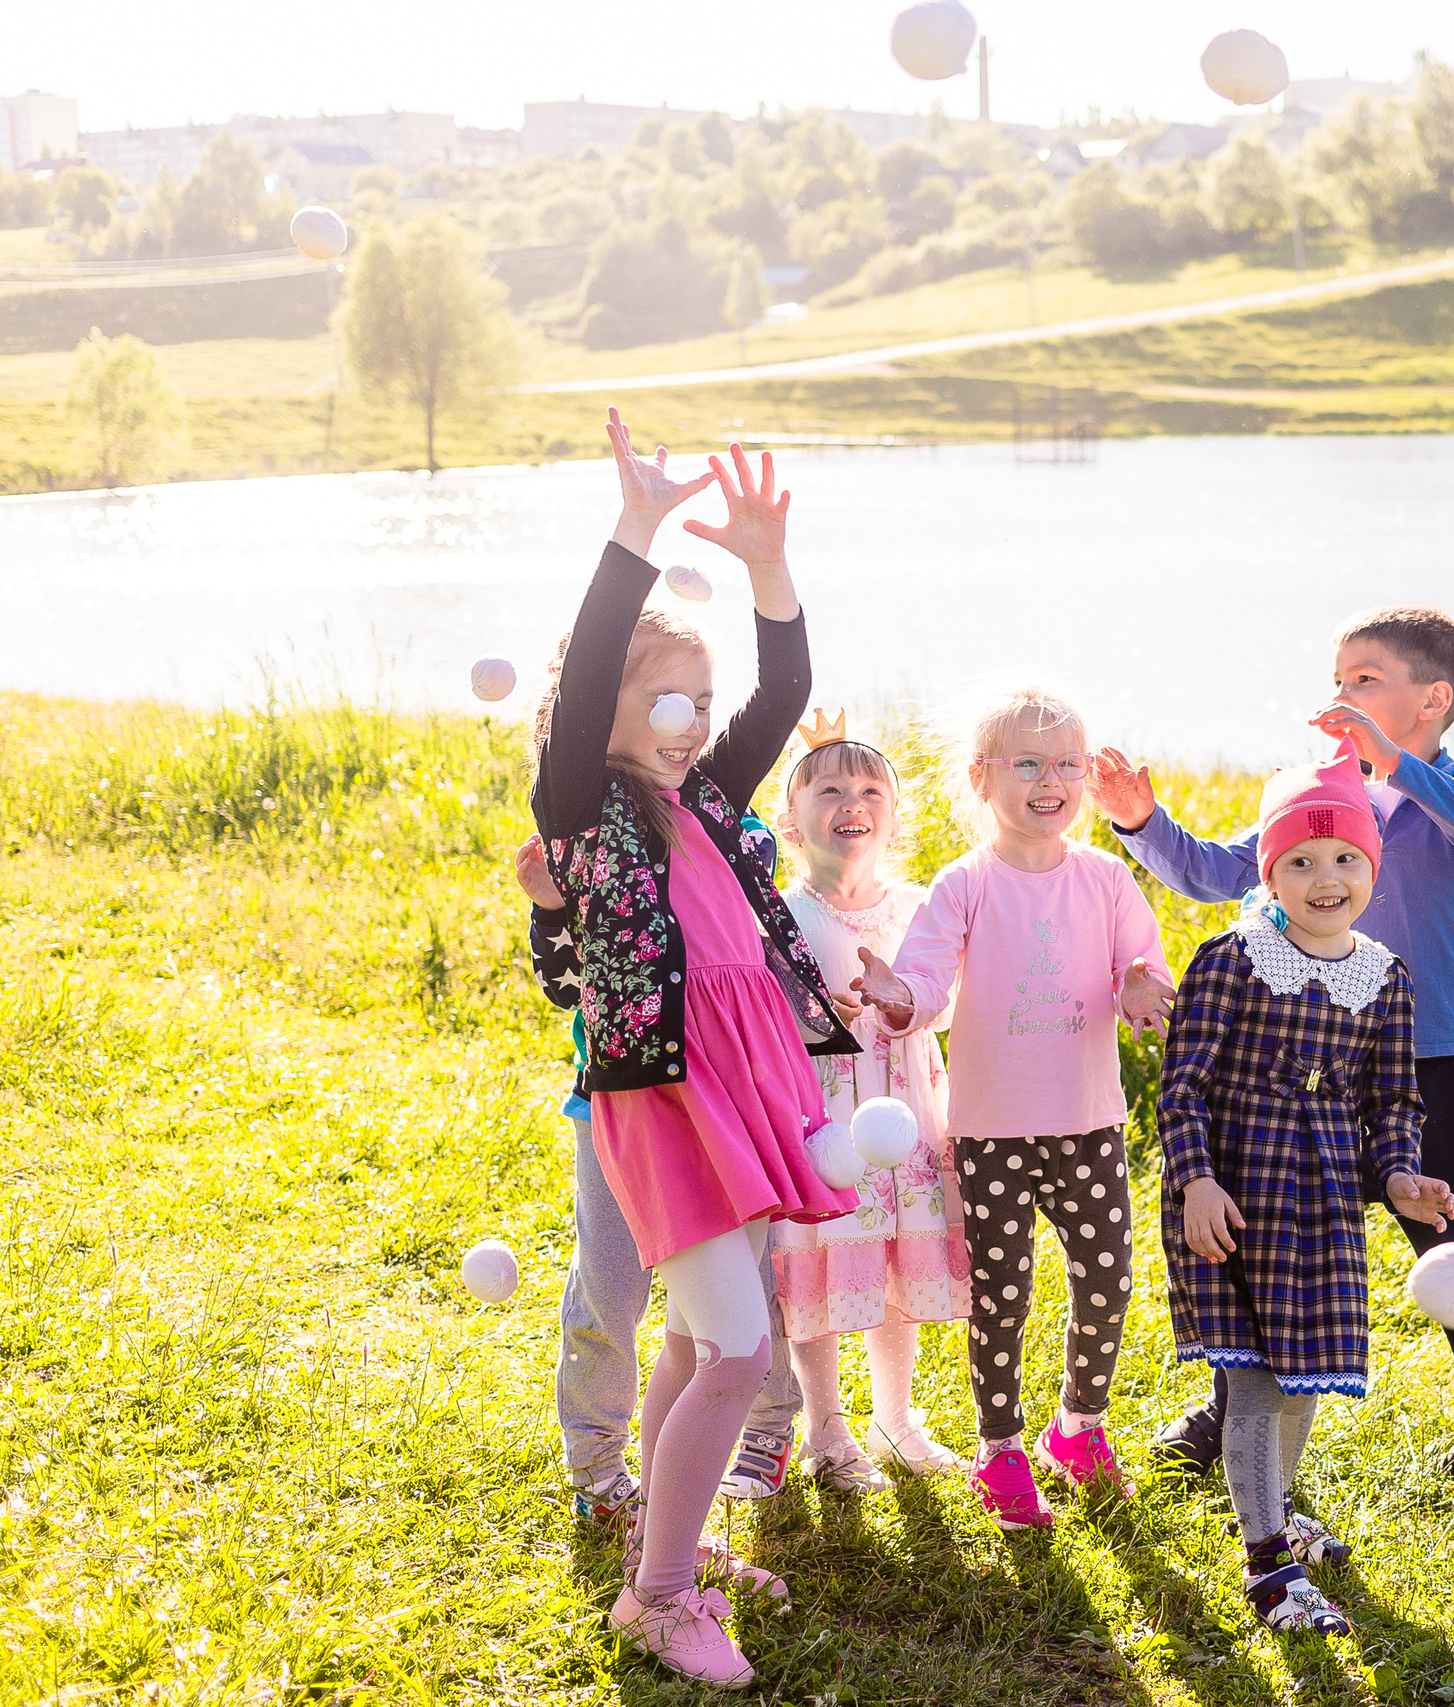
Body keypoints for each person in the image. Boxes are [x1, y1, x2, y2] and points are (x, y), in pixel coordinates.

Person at [1093, 606, 1454, 1508]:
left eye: (1364, 678)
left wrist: (1395, 765)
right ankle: (1229, 1410)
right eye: (1339, 678)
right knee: (1273, 1249)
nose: (1342, 694)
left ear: (1432, 699)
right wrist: (1143, 822)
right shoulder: (1328, 797)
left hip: (1443, 1073)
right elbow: (1224, 871)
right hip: (1310, 1078)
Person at [527, 410, 860, 1685]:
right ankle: (660, 1597)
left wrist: (767, 568)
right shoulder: (584, 806)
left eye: (696, 704)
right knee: (736, 1350)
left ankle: (669, 1548)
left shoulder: (706, 799)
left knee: (693, 1340)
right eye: (660, 700)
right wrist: (633, 532)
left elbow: (785, 689)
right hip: (665, 1098)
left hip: (747, 1084)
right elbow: (595, 666)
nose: (685, 721)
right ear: (600, 708)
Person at [852, 686, 1175, 1532]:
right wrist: (896, 995)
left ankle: (1078, 1426)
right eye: (1028, 762)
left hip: (1090, 1122)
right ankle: (999, 1449)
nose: (1052, 779)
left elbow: (1139, 964)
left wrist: (1141, 986)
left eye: (1068, 763)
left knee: (1106, 1279)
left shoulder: (1105, 879)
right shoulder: (965, 883)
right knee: (1002, 1292)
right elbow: (925, 980)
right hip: (992, 1129)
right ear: (980, 777)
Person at [1159, 746, 1454, 1637]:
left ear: (1374, 864)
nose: (1325, 878)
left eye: (1345, 860)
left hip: (1322, 1202)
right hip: (1238, 1195)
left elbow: (1391, 1099)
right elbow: (1182, 1085)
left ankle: (1274, 1506)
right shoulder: (1233, 960)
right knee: (1253, 1383)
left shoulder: (1386, 977)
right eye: (1300, 860)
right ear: (1269, 871)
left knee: (1304, 1384)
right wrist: (1197, 1180)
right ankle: (1269, 1570)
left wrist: (1400, 1174)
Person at [517, 829, 807, 1534]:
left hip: (726, 1105)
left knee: (748, 1282)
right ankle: (597, 1467)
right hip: (618, 1111)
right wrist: (551, 909)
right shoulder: (588, 843)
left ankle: (766, 1428)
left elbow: (764, 962)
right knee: (611, 1284)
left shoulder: (737, 833)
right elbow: (563, 988)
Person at [750, 714, 969, 1492]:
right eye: (831, 787)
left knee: (891, 1264)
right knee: (821, 1261)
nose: (853, 800)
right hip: (824, 1119)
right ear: (790, 818)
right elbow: (757, 1012)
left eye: (871, 787)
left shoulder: (919, 905)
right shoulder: (778, 914)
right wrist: (819, 1020)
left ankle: (895, 1418)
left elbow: (947, 996)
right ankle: (826, 1429)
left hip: (907, 1107)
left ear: (895, 816)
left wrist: (906, 1005)